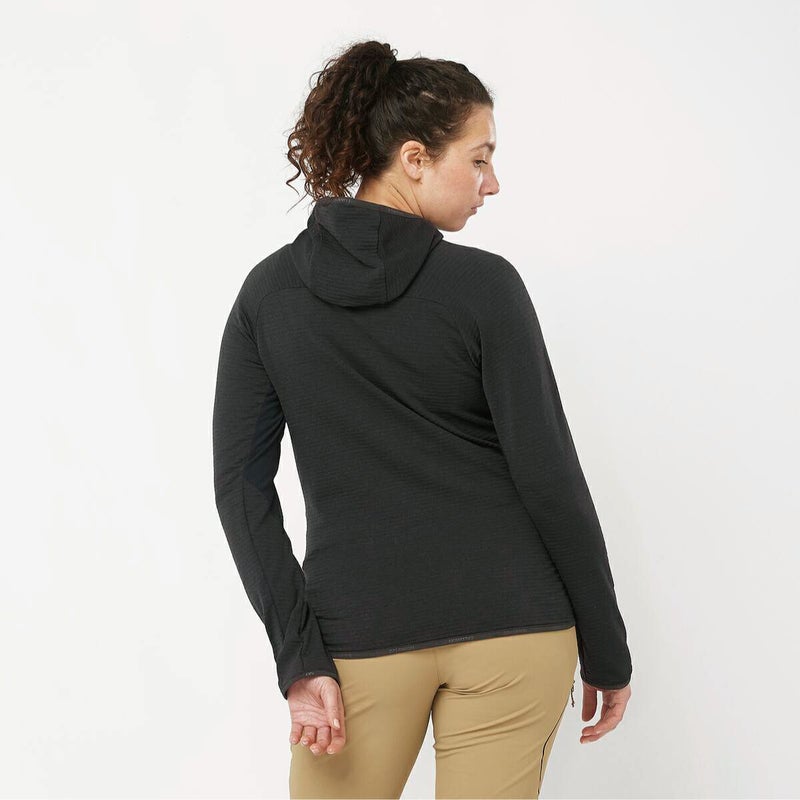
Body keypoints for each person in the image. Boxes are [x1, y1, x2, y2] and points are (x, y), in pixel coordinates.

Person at [212, 39, 633, 800]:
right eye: (479, 159)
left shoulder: (269, 296)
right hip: (515, 627)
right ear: (414, 159)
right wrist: (607, 648)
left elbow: (240, 490)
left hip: (356, 640)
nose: (492, 183)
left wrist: (299, 658)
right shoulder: (484, 287)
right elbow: (548, 475)